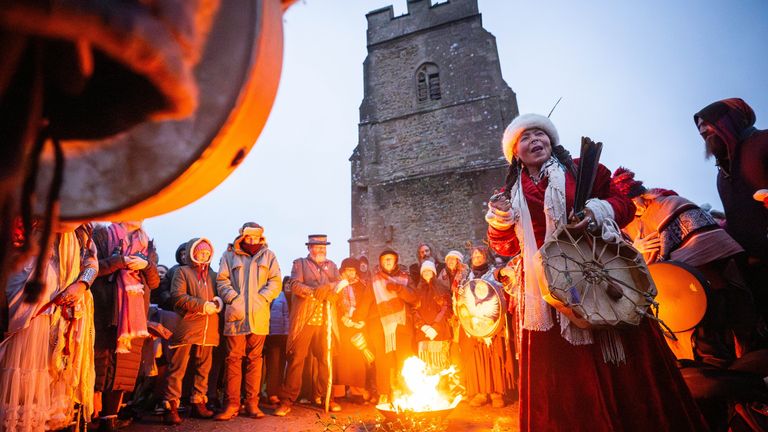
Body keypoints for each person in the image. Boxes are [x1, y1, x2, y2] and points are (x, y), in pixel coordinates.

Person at [485, 113, 707, 431]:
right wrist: (499, 222)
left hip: (601, 279)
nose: (535, 140)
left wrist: (594, 211)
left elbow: (624, 205)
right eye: (525, 137)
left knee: (627, 372)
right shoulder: (510, 195)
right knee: (565, 383)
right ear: (514, 153)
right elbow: (506, 247)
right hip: (546, 295)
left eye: (540, 134)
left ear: (551, 140)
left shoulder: (582, 171)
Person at [613, 167, 760, 365]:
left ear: (641, 194)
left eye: (633, 200)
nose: (633, 207)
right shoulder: (627, 227)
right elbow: (632, 267)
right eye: (627, 205)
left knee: (727, 335)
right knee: (702, 350)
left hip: (711, 283)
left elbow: (707, 241)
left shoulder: (672, 204)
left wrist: (683, 262)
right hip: (674, 298)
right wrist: (636, 250)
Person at [0, 221, 98, 431]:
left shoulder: (84, 230)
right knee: (22, 384)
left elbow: (91, 262)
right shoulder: (30, 219)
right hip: (32, 313)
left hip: (62, 316)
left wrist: (81, 285)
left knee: (52, 377)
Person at [694, 98, 768, 324]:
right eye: (699, 128)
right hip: (755, 266)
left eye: (708, 123)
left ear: (731, 120)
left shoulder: (763, 141)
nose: (703, 131)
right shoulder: (722, 175)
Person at [91, 221, 160, 431]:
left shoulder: (148, 244)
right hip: (105, 310)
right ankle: (91, 414)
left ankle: (110, 418)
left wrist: (146, 265)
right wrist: (119, 261)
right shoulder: (102, 235)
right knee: (101, 361)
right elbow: (92, 268)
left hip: (134, 315)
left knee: (124, 366)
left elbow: (155, 282)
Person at [214, 223, 282, 420]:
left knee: (255, 360)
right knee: (233, 360)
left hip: (259, 316)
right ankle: (232, 404)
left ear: (261, 237)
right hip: (236, 315)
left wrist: (262, 298)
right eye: (248, 236)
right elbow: (222, 281)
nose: (252, 240)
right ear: (242, 236)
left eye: (256, 236)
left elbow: (275, 281)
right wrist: (234, 299)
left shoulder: (269, 256)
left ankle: (252, 403)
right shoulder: (229, 255)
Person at [276, 235, 345, 416]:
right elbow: (296, 285)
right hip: (305, 319)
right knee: (297, 359)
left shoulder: (332, 265)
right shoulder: (300, 264)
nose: (321, 250)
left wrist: (330, 291)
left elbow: (339, 285)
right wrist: (316, 292)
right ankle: (287, 400)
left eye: (323, 247)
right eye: (317, 246)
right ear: (310, 248)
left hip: (326, 321)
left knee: (325, 359)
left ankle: (326, 397)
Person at [161, 238, 219, 424]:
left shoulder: (212, 275)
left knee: (204, 367)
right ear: (193, 253)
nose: (204, 255)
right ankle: (171, 406)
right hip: (187, 324)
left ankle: (198, 401)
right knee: (178, 367)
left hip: (208, 327)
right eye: (201, 252)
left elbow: (219, 293)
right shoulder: (182, 272)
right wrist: (202, 305)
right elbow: (178, 296)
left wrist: (218, 302)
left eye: (207, 253)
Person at [456, 246, 514, 408]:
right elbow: (462, 298)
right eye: (474, 256)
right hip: (473, 325)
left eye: (480, 255)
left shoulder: (495, 273)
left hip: (493, 324)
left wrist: (489, 316)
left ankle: (497, 393)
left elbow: (502, 295)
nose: (476, 258)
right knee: (478, 360)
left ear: (486, 257)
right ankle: (482, 392)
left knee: (493, 358)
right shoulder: (467, 276)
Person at [367, 249, 418, 404]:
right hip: (382, 324)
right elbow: (366, 300)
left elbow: (414, 298)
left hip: (402, 323)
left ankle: (404, 390)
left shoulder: (405, 278)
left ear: (395, 261)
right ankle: (384, 392)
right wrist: (357, 319)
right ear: (380, 262)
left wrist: (399, 289)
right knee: (384, 359)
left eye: (390, 259)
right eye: (385, 259)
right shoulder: (374, 280)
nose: (388, 261)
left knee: (403, 357)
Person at [334, 258, 374, 403]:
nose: (350, 273)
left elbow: (365, 303)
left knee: (358, 360)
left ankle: (357, 391)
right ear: (342, 271)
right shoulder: (338, 285)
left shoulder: (362, 286)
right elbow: (334, 303)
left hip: (357, 326)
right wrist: (342, 318)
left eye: (352, 270)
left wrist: (359, 320)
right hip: (341, 326)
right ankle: (338, 392)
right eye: (347, 270)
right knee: (340, 359)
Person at [412, 260, 452, 371]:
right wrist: (422, 326)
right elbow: (414, 309)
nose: (427, 273)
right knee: (425, 362)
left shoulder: (442, 289)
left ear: (434, 272)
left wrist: (436, 327)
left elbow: (446, 308)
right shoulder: (417, 290)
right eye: (424, 271)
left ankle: (442, 386)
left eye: (429, 271)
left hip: (439, 331)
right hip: (423, 332)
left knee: (440, 361)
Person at [264, 290, 289, 405]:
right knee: (271, 364)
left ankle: (276, 391)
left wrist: (286, 332)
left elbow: (286, 314)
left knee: (279, 364)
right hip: (266, 333)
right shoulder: (263, 289)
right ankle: (270, 392)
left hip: (280, 334)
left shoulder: (281, 294)